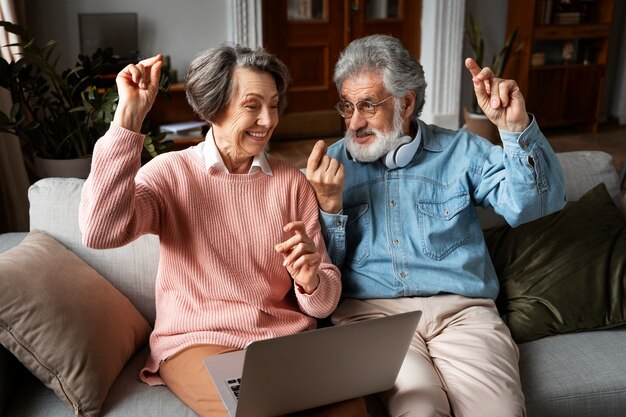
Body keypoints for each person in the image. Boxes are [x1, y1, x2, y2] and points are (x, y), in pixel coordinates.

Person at [79, 46, 370, 417]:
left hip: (283, 342)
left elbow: (323, 303)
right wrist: (128, 119)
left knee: (353, 408)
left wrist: (312, 280)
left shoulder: (292, 184)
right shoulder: (170, 174)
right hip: (197, 341)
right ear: (212, 108)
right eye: (252, 105)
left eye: (274, 105)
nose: (267, 120)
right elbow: (101, 231)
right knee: (254, 410)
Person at [306, 34, 566, 417]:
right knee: (421, 410)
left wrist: (514, 130)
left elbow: (534, 206)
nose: (354, 121)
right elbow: (324, 277)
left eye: (367, 105)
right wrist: (329, 208)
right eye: (347, 106)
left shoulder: (462, 151)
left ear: (406, 102)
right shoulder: (330, 167)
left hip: (463, 313)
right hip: (372, 318)